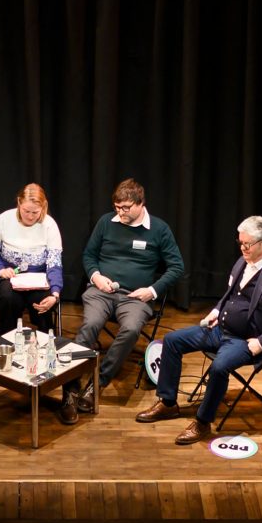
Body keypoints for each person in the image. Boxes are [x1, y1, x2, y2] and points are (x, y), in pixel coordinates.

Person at [136, 215, 262, 444]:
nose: (243, 248)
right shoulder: (243, 261)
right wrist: (215, 311)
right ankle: (168, 403)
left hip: (245, 340)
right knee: (172, 340)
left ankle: (203, 423)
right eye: (240, 242)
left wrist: (261, 342)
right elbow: (230, 294)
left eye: (247, 244)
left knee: (219, 366)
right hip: (219, 329)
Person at [57, 178, 185, 425]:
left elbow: (177, 266)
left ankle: (99, 382)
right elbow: (89, 255)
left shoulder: (159, 229)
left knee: (131, 329)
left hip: (135, 297)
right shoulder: (107, 222)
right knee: (90, 325)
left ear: (140, 204)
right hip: (101, 290)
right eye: (117, 207)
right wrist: (96, 276)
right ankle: (70, 389)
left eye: (126, 208)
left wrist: (152, 290)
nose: (121, 212)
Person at [0, 182, 63, 334]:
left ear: (43, 207)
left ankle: (45, 342)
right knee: (8, 297)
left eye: (35, 212)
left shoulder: (49, 225)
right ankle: (8, 339)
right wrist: (1, 270)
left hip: (38, 278)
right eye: (26, 211)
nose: (31, 216)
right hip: (10, 276)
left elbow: (54, 263)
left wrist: (55, 293)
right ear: (19, 203)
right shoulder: (3, 220)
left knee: (44, 299)